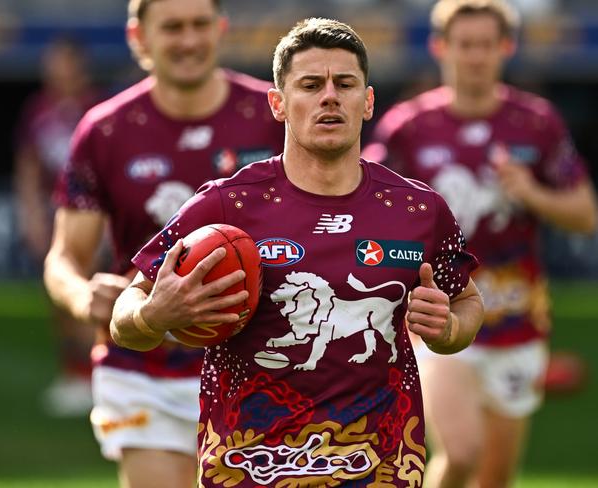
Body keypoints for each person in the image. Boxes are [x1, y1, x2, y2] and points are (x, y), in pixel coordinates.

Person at [111, 17, 485, 487]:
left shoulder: (419, 209)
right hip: (249, 466)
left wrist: (448, 328)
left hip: (378, 467)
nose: (330, 96)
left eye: (345, 84)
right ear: (278, 103)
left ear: (367, 102)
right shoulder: (226, 205)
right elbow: (127, 311)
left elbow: (468, 301)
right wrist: (154, 314)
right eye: (310, 84)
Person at [43, 0, 284, 486]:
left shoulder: (274, 115)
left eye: (200, 25)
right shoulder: (104, 130)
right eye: (172, 27)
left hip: (261, 360)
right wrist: (81, 294)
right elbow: (65, 256)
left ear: (220, 29)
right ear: (139, 37)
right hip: (143, 359)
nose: (189, 40)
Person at [362, 1, 598, 487]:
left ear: (505, 48)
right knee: (463, 451)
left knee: (493, 477)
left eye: (486, 45)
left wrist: (530, 192)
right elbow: (364, 205)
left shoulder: (537, 122)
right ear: (440, 47)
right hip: (436, 316)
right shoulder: (407, 127)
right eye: (464, 45)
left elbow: (585, 215)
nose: (475, 57)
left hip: (515, 323)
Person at [13, 36, 101, 416]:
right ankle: (74, 375)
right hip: (55, 213)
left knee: (94, 292)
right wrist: (31, 215)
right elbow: (28, 166)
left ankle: (101, 373)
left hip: (95, 215)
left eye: (65, 64)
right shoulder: (38, 110)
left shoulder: (97, 107)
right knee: (59, 298)